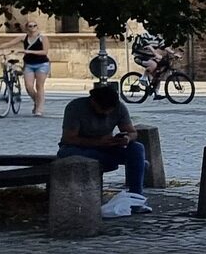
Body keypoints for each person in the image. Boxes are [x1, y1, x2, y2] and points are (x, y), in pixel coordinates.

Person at [57, 83, 150, 218]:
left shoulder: (119, 108)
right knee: (84, 156)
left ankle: (136, 197)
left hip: (106, 147)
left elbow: (132, 132)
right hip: (77, 148)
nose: (106, 113)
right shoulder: (75, 108)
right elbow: (68, 139)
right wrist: (96, 142)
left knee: (137, 148)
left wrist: (127, 139)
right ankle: (137, 164)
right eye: (102, 109)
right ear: (93, 101)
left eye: (109, 110)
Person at [0, 20, 51, 116]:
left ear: (37, 27)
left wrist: (27, 51)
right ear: (27, 28)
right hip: (29, 64)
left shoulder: (42, 38)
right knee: (29, 87)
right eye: (30, 26)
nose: (32, 28)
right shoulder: (23, 37)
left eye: (34, 26)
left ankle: (39, 109)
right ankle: (37, 102)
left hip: (42, 64)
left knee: (39, 86)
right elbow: (9, 43)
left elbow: (45, 52)